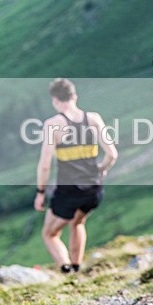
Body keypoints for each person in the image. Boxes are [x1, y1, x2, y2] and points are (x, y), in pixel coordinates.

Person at [34, 78, 118, 274]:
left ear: (55, 100)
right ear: (75, 97)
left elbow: (45, 165)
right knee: (78, 222)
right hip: (93, 188)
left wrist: (40, 192)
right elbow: (112, 154)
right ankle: (77, 267)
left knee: (49, 234)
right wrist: (102, 169)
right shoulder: (93, 118)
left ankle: (66, 270)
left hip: (68, 190)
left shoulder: (53, 124)